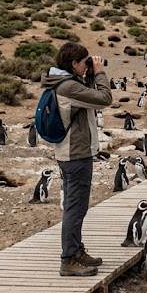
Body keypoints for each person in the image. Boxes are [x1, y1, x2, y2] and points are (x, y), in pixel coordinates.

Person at [41, 43, 112, 277]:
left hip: (69, 153)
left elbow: (88, 100)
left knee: (76, 206)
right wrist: (100, 73)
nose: (87, 65)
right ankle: (69, 258)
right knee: (75, 207)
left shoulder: (64, 84)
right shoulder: (69, 86)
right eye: (84, 62)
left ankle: (77, 251)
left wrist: (90, 76)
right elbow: (103, 99)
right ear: (73, 64)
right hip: (76, 154)